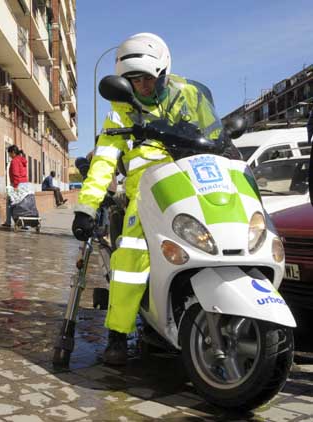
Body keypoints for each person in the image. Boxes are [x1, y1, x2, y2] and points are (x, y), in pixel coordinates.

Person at [71, 33, 221, 365]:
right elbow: (104, 161)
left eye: (146, 78)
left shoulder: (189, 95)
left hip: (193, 179)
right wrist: (87, 207)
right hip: (147, 192)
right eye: (132, 80)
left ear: (163, 72)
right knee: (131, 254)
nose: (140, 86)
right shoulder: (119, 112)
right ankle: (118, 334)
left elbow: (213, 135)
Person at [3, 145, 28, 227]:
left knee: (10, 202)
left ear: (13, 152)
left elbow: (15, 174)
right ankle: (24, 224)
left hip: (17, 184)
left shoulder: (14, 161)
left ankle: (8, 222)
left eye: (9, 153)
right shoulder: (22, 160)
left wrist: (15, 186)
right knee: (22, 204)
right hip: (24, 184)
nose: (9, 155)